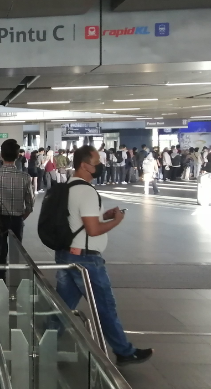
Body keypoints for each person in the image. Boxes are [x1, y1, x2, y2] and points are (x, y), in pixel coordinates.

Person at [55, 147, 153, 365]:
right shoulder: (86, 191)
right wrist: (116, 221)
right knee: (105, 306)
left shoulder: (69, 186)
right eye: (97, 161)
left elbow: (80, 220)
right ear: (84, 165)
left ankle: (40, 343)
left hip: (67, 255)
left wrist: (103, 215)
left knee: (62, 307)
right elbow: (93, 230)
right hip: (85, 260)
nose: (101, 165)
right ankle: (124, 351)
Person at [0, 139, 35, 279]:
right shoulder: (25, 177)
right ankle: (16, 281)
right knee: (16, 253)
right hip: (17, 220)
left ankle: (0, 281)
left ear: (1, 155)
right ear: (18, 155)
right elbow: (30, 204)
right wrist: (20, 217)